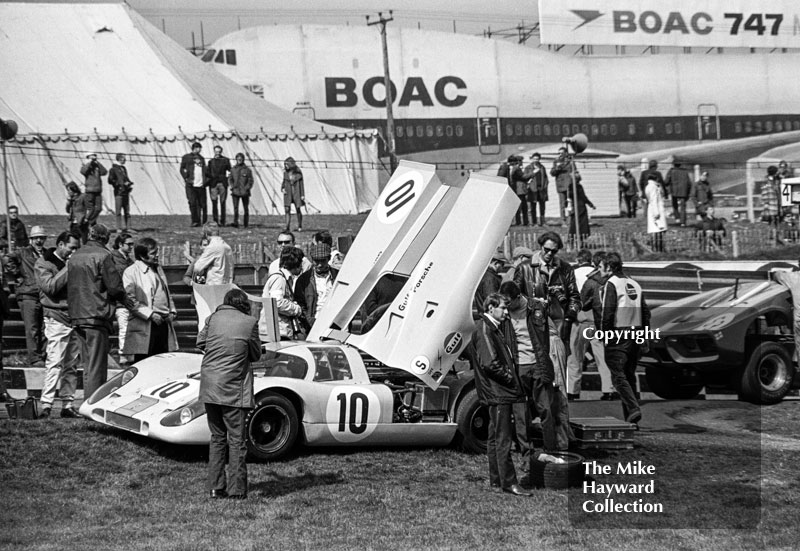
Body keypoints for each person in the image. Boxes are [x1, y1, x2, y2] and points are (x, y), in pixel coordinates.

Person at [513, 232, 580, 451]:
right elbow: (512, 298)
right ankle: (527, 441)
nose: (550, 254)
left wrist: (568, 316)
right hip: (531, 335)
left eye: (554, 251)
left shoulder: (565, 269)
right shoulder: (524, 268)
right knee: (534, 389)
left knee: (558, 388)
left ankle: (561, 442)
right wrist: (533, 304)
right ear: (539, 246)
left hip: (555, 334)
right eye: (547, 249)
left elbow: (575, 299)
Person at [197, 288, 261, 500]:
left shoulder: (212, 318)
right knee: (236, 440)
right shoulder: (249, 322)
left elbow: (200, 343)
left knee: (217, 437)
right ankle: (236, 489)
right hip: (233, 388)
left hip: (210, 386)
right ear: (243, 304)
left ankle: (215, 487)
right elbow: (255, 353)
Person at [472, 293, 531, 497]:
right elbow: (489, 363)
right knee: (503, 438)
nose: (507, 312)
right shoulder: (486, 329)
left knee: (495, 438)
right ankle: (509, 482)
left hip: (497, 391)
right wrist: (510, 378)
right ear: (491, 308)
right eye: (503, 308)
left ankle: (497, 479)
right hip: (499, 392)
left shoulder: (490, 328)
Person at [499, 280, 557, 462]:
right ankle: (527, 453)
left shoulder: (536, 307)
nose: (505, 306)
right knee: (520, 413)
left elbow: (556, 320)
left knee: (545, 409)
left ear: (518, 297)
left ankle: (551, 450)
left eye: (508, 302)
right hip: (518, 367)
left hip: (538, 364)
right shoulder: (504, 315)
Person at [67, 224, 125, 398]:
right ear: (105, 238)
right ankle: (93, 405)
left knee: (87, 365)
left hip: (77, 314)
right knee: (97, 367)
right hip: (96, 315)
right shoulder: (104, 255)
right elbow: (114, 288)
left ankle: (87, 402)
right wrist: (127, 300)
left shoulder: (75, 255)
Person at [34, 231, 82, 418]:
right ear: (61, 245)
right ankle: (46, 404)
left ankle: (67, 404)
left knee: (71, 364)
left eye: (76, 248)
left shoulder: (71, 263)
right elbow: (50, 287)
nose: (74, 251)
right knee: (55, 362)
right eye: (71, 247)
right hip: (56, 317)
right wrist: (69, 268)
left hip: (74, 317)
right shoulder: (43, 263)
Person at [600, 252, 650, 425]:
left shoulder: (611, 284)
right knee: (628, 376)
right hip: (635, 333)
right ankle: (631, 420)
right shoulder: (635, 284)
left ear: (608, 267)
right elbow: (645, 312)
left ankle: (634, 408)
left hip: (618, 333)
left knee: (617, 376)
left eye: (601, 266)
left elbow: (608, 312)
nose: (599, 270)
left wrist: (604, 334)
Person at [122, 237, 178, 362]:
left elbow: (166, 292)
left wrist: (172, 311)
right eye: (153, 253)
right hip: (146, 324)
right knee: (145, 362)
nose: (157, 255)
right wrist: (150, 314)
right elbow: (129, 300)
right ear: (142, 256)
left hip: (163, 322)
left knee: (162, 362)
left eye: (157, 251)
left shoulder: (158, 269)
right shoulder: (131, 272)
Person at [6, 225, 48, 365]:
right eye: (36, 238)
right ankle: (34, 358)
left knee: (44, 327)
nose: (38, 241)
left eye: (41, 238)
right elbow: (6, 259)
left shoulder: (46, 254)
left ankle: (44, 355)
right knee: (32, 328)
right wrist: (18, 275)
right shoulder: (23, 252)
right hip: (28, 294)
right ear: (31, 239)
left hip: (43, 294)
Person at [578, 251, 616, 400]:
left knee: (576, 356)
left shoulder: (590, 281)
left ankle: (572, 391)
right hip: (612, 322)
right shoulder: (617, 280)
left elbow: (583, 301)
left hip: (589, 320)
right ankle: (609, 389)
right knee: (606, 356)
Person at [260, 247, 304, 340]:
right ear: (295, 263)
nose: (302, 267)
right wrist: (296, 309)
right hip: (276, 333)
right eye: (300, 263)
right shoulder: (279, 279)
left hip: (279, 331)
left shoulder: (285, 279)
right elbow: (277, 302)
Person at [294, 243, 339, 332]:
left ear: (329, 258)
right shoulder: (303, 280)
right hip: (312, 325)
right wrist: (309, 321)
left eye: (323, 261)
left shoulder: (339, 276)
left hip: (334, 324)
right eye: (316, 261)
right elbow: (300, 304)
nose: (319, 265)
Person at [111, 233, 135, 365]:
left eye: (132, 244)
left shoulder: (129, 260)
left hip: (129, 300)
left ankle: (129, 353)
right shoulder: (114, 259)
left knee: (129, 328)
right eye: (129, 244)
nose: (131, 247)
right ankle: (123, 355)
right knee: (124, 327)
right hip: (120, 300)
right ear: (120, 244)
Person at [179, 142, 206, 227]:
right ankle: (194, 220)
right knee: (192, 202)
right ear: (195, 148)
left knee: (201, 204)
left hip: (200, 184)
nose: (200, 150)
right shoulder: (186, 157)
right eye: (199, 148)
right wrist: (185, 177)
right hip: (190, 184)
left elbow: (204, 170)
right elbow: (182, 168)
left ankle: (200, 221)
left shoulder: (202, 158)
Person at [473, 251, 506, 317]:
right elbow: (492, 300)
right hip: (490, 317)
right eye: (502, 264)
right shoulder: (489, 279)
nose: (503, 267)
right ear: (496, 263)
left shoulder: (487, 275)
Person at [550, 146, 576, 225]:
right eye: (559, 153)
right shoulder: (556, 161)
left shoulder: (571, 162)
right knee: (562, 204)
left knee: (570, 203)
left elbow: (574, 172)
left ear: (566, 153)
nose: (560, 155)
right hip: (560, 185)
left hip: (569, 185)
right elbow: (552, 173)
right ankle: (563, 220)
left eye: (562, 153)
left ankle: (571, 219)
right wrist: (558, 168)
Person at [80, 153, 108, 227]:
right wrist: (89, 163)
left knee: (99, 208)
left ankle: (88, 222)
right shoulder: (85, 165)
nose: (93, 158)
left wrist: (98, 163)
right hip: (90, 190)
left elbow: (104, 172)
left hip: (98, 190)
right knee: (90, 208)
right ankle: (90, 223)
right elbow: (83, 171)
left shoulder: (97, 166)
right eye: (91, 156)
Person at [107, 153, 133, 231]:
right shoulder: (113, 169)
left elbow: (126, 178)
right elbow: (110, 180)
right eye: (123, 158)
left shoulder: (123, 169)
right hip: (119, 192)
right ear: (119, 159)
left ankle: (128, 227)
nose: (125, 160)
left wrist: (129, 183)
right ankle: (118, 228)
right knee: (118, 211)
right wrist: (119, 185)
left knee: (127, 211)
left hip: (125, 191)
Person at [207, 145, 232, 227]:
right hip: (213, 184)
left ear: (221, 152)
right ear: (214, 151)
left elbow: (230, 171)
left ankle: (223, 221)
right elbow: (208, 172)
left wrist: (226, 179)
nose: (217, 153)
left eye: (219, 151)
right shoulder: (211, 162)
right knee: (214, 202)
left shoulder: (225, 160)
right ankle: (215, 221)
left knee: (222, 202)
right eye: (216, 151)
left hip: (222, 183)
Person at [523, 152, 549, 226]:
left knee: (542, 206)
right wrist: (533, 173)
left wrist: (545, 186)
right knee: (532, 206)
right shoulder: (528, 167)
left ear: (539, 159)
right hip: (532, 189)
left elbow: (546, 178)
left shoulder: (542, 167)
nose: (536, 160)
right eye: (534, 159)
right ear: (532, 159)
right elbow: (524, 177)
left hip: (541, 189)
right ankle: (534, 222)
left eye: (537, 159)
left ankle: (542, 222)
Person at [229, 153, 254, 228]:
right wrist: (232, 186)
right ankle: (235, 222)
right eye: (238, 159)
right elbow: (230, 179)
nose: (239, 160)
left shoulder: (247, 170)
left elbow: (250, 180)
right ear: (236, 159)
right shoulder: (233, 169)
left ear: (243, 160)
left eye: (241, 159)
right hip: (235, 191)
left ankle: (246, 223)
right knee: (235, 208)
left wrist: (247, 188)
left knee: (245, 208)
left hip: (244, 192)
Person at [643, 173, 667, 252]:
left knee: (656, 229)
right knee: (658, 229)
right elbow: (654, 200)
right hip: (656, 209)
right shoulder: (653, 187)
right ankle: (658, 248)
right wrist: (656, 213)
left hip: (653, 208)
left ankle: (657, 247)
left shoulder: (649, 186)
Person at [665, 161, 692, 226]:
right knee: (683, 207)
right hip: (683, 191)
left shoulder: (671, 171)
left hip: (674, 191)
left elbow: (666, 181)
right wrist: (688, 192)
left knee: (675, 205)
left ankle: (677, 218)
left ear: (673, 165)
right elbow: (689, 183)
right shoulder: (685, 171)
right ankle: (683, 222)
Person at [282, 157, 305, 232]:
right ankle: (287, 226)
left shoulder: (298, 173)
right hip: (288, 193)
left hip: (296, 193)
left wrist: (302, 195)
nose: (285, 166)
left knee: (298, 209)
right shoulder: (285, 173)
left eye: (287, 164)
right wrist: (282, 188)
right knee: (287, 209)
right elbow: (283, 182)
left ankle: (299, 225)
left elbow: (301, 185)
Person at [510, 157, 529, 226]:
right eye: (521, 161)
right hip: (520, 190)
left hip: (520, 190)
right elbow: (523, 177)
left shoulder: (516, 168)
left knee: (522, 207)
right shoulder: (517, 169)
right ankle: (521, 222)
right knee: (522, 207)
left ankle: (521, 222)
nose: (522, 162)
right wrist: (533, 173)